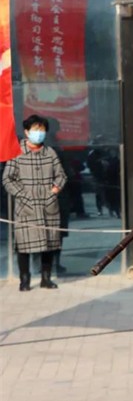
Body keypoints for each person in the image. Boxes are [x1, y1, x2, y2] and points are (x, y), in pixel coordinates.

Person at [2, 114, 67, 291]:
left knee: (49, 244)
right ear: (26, 132)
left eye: (42, 130)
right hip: (26, 207)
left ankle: (46, 278)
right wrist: (23, 195)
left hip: (48, 205)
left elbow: (61, 175)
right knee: (24, 245)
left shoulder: (50, 152)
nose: (39, 133)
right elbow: (7, 179)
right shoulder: (16, 152)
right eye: (36, 130)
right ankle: (24, 279)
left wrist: (54, 191)